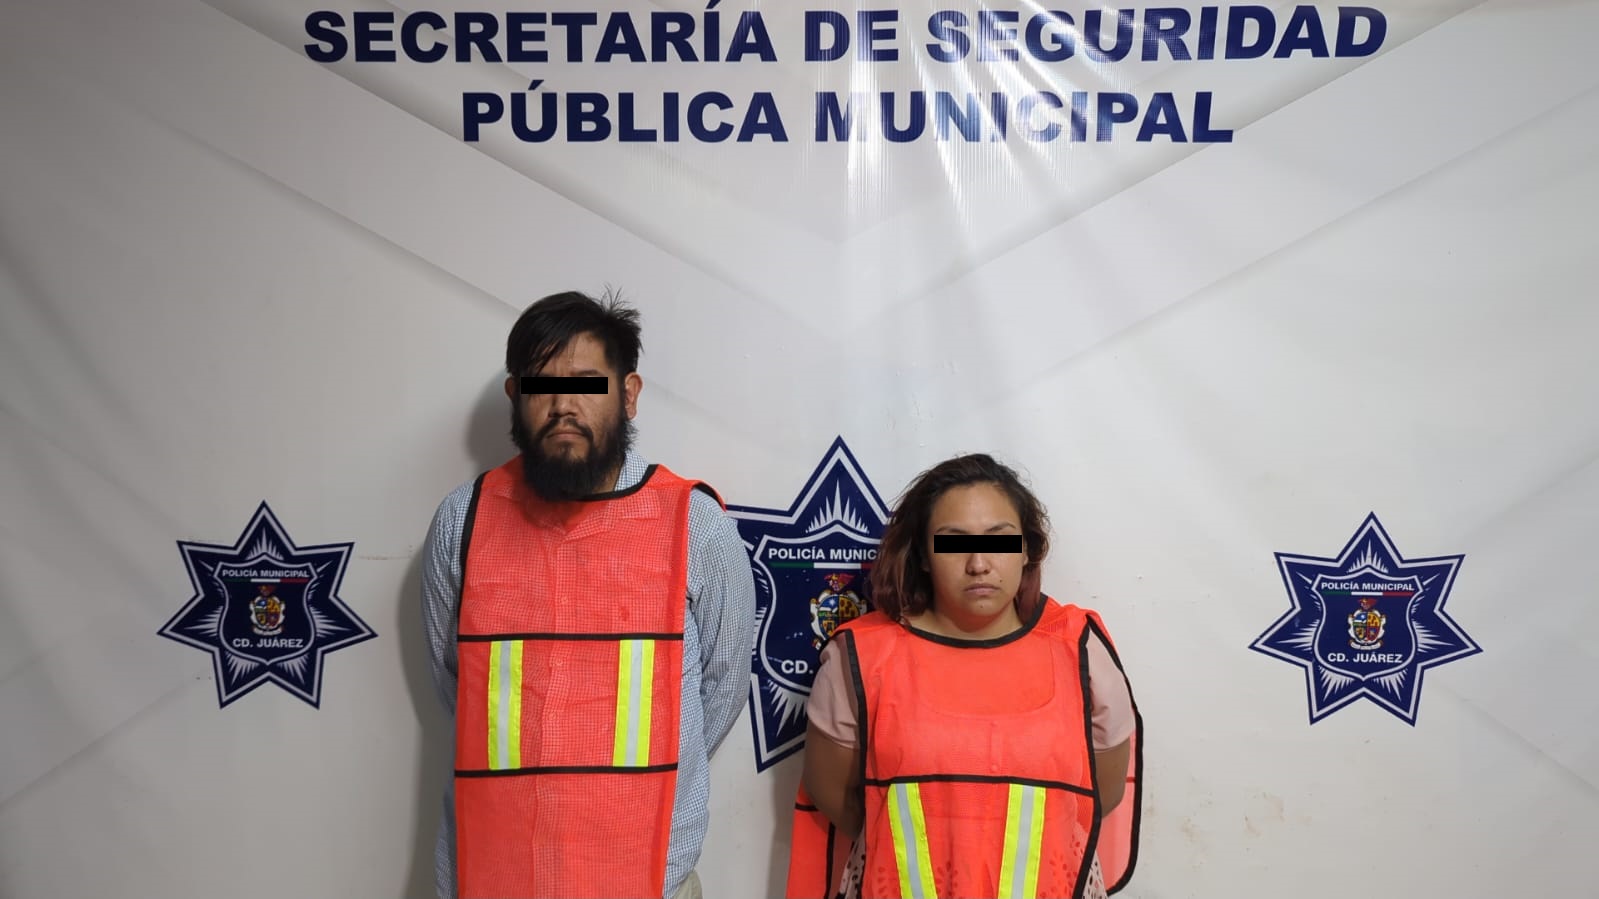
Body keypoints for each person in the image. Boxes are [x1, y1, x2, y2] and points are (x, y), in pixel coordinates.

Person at [421, 290, 758, 899]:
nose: (563, 406)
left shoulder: (693, 525)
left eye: (586, 384)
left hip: (648, 880)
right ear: (515, 397)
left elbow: (722, 687)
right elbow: (456, 682)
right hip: (490, 877)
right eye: (541, 385)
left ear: (629, 394)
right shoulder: (462, 520)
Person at [787, 453, 1143, 899]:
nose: (978, 563)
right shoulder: (860, 656)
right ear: (922, 555)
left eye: (1000, 540)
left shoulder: (1080, 650)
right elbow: (832, 793)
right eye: (953, 543)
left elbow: (1099, 795)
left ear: (1027, 549)